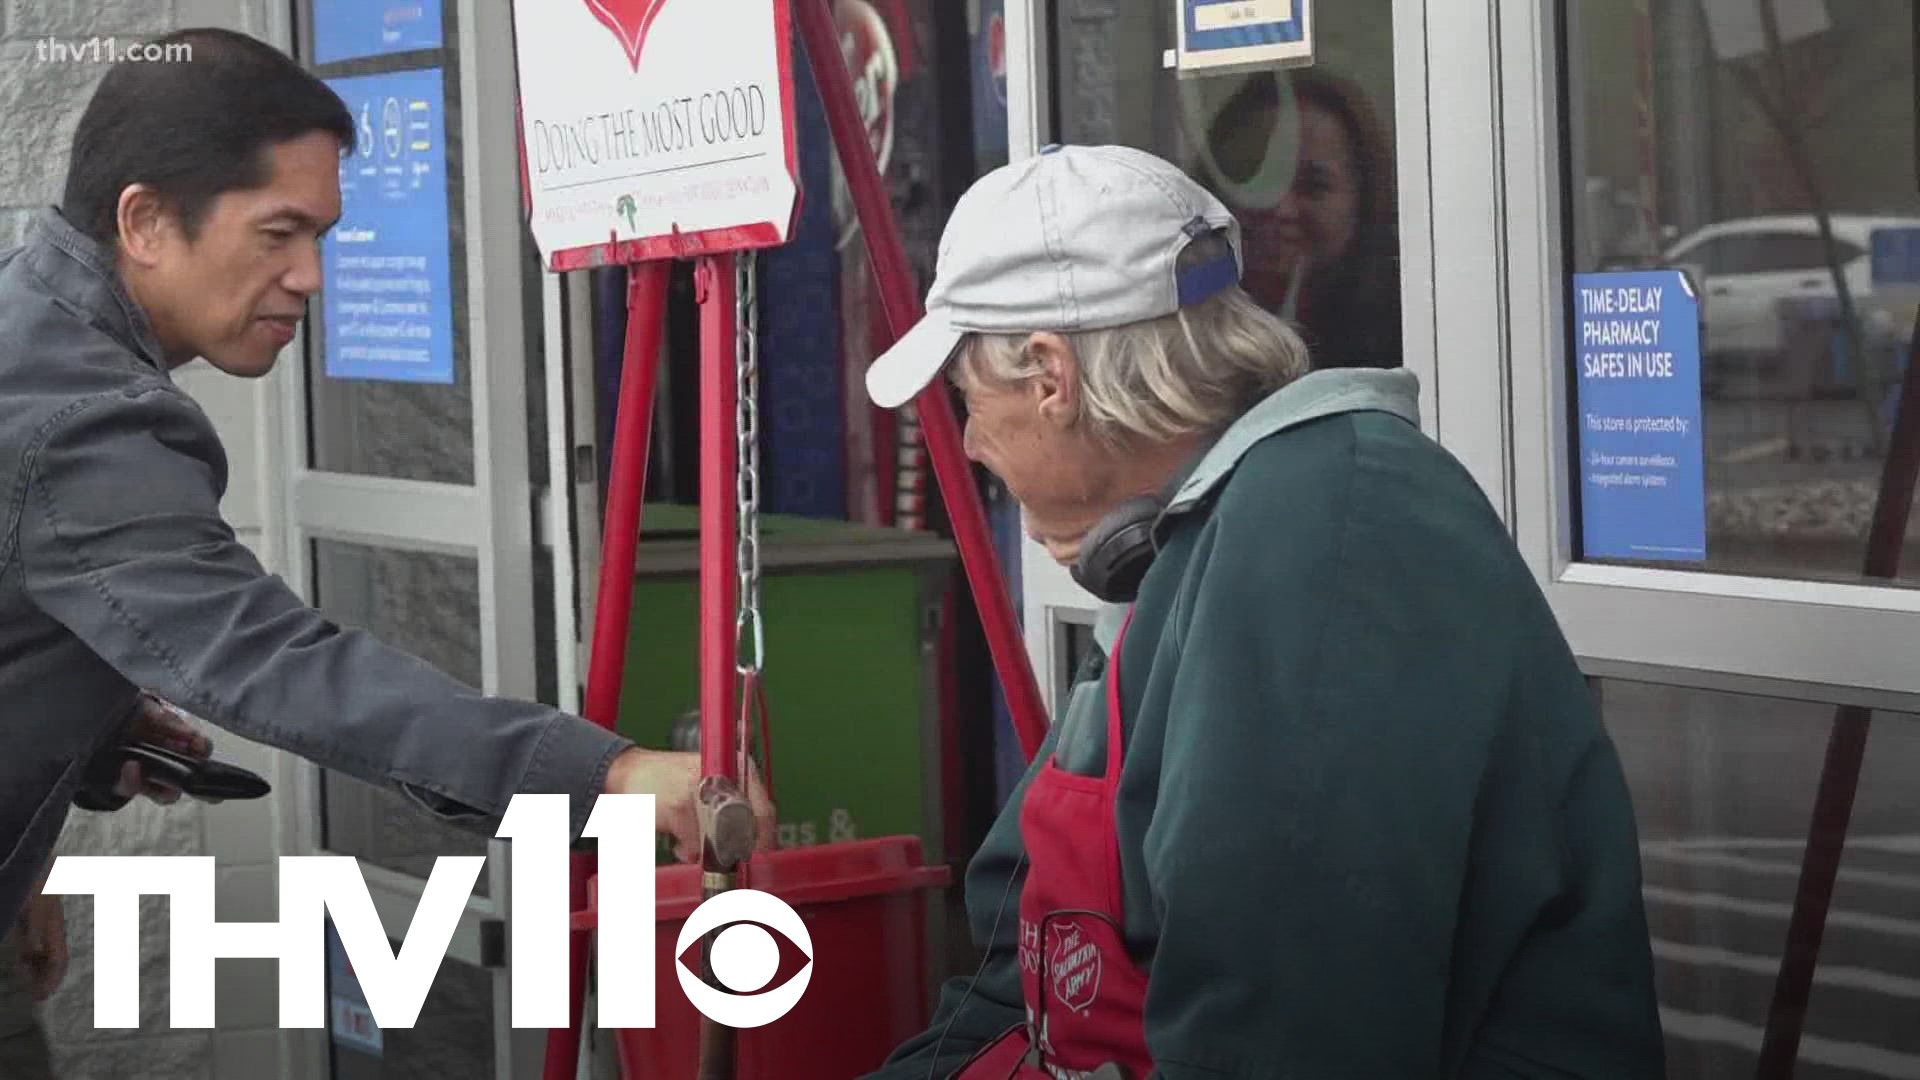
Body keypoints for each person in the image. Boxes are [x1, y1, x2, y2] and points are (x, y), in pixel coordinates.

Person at [860, 145, 1665, 1078]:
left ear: (1051, 376)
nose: (968, 442)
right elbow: (1010, 962)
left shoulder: (1332, 537)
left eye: (969, 399)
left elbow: (1281, 1033)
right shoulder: (1196, 544)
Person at [0, 26, 772, 936]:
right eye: (278, 234)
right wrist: (606, 774)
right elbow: (271, 660)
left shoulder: (29, 327)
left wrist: (74, 755)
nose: (311, 277)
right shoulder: (83, 418)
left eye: (320, 236)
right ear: (145, 221)